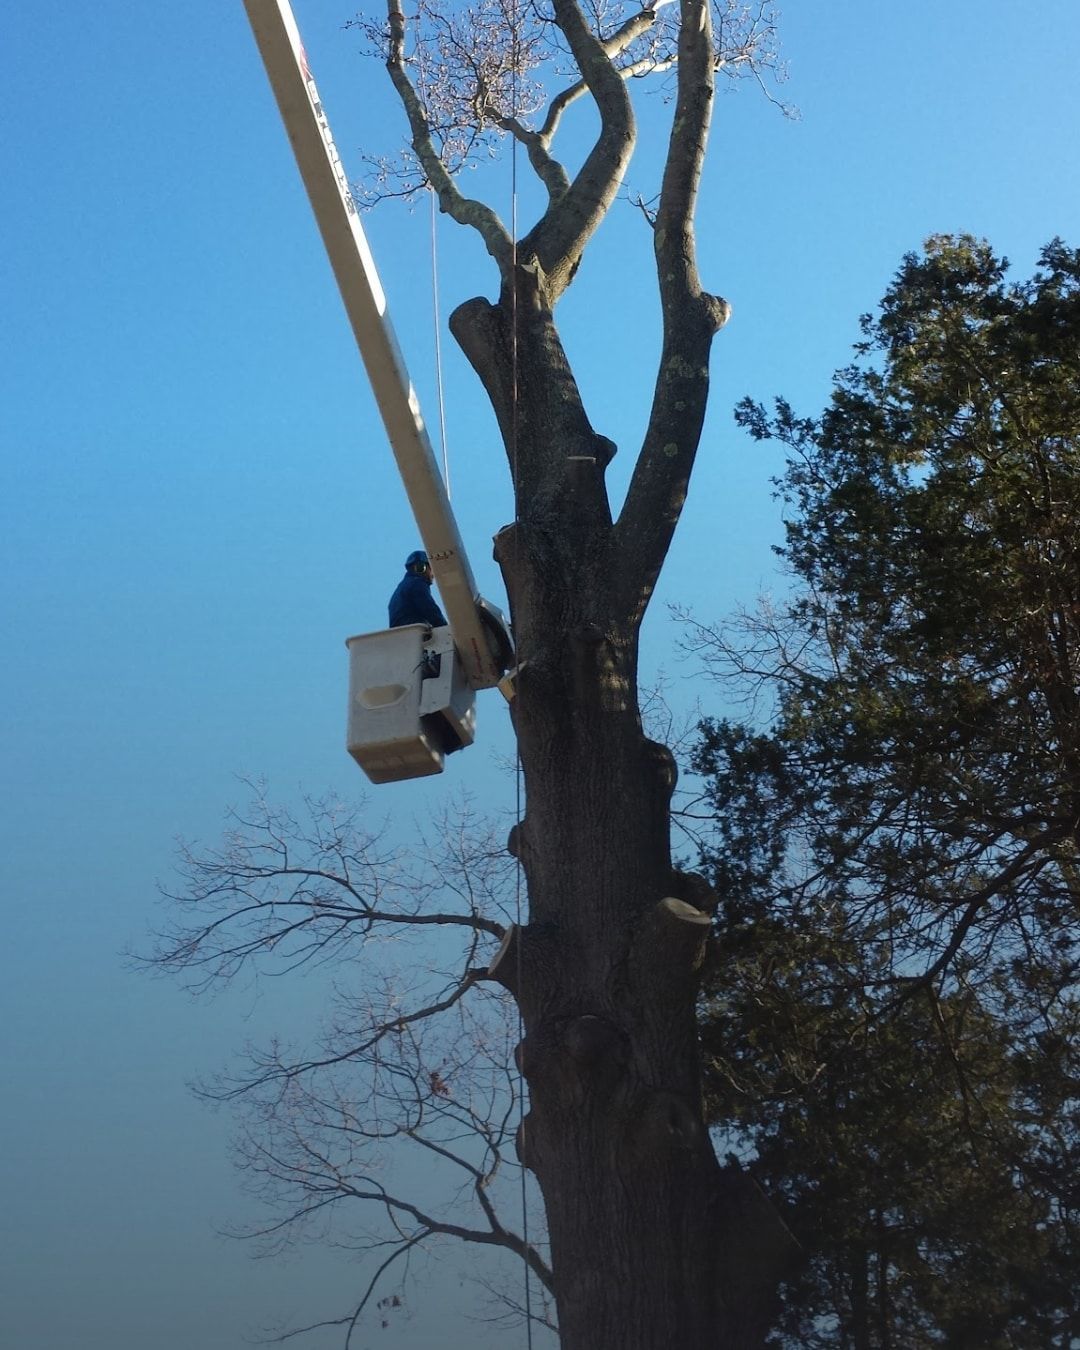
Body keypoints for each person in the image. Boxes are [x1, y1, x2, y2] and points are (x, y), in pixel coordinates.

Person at [388, 550, 448, 629]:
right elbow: (430, 610)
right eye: (431, 568)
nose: (433, 575)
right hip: (413, 631)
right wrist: (446, 629)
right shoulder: (417, 584)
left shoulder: (403, 586)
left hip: (401, 633)